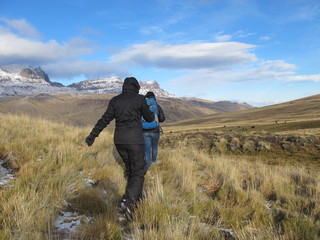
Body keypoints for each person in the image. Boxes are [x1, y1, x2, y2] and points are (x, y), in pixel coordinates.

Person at [85, 77, 154, 218]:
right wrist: (149, 112)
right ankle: (128, 201)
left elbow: (104, 120)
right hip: (135, 140)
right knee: (139, 171)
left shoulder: (115, 100)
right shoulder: (140, 99)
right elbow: (150, 119)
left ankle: (136, 196)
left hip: (119, 141)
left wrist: (92, 136)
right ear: (136, 87)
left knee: (129, 167)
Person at [142, 92, 165, 170]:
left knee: (147, 150)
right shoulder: (156, 106)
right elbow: (162, 119)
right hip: (155, 131)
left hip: (144, 131)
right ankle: (154, 161)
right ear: (154, 97)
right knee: (154, 146)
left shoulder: (142, 106)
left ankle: (148, 168)